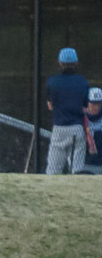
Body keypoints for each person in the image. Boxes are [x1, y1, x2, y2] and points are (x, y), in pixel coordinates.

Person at [45, 47, 91, 175]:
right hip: (77, 128)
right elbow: (85, 107)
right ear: (76, 63)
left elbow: (50, 106)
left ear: (60, 63)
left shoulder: (52, 81)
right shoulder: (83, 82)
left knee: (53, 170)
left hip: (59, 128)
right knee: (77, 170)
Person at [79, 86, 102, 175]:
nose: (94, 107)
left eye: (97, 104)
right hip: (83, 161)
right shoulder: (80, 116)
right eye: (92, 103)